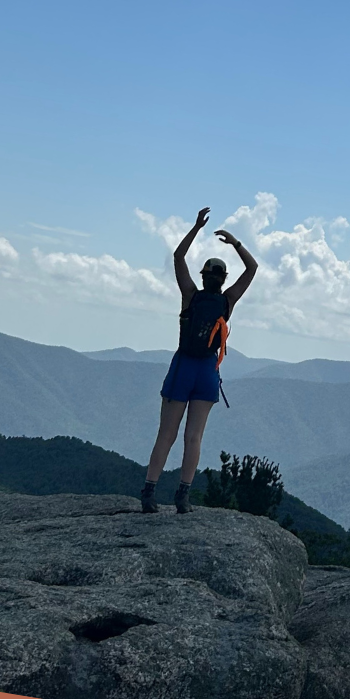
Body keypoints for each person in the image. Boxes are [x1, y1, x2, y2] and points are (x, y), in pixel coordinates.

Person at [141, 207, 258, 514]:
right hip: (207, 371)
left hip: (182, 367)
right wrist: (235, 243)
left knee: (166, 434)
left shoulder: (190, 295)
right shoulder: (227, 301)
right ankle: (183, 496)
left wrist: (195, 228)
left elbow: (179, 258)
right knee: (194, 438)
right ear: (222, 280)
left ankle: (150, 492)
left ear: (204, 276)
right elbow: (253, 268)